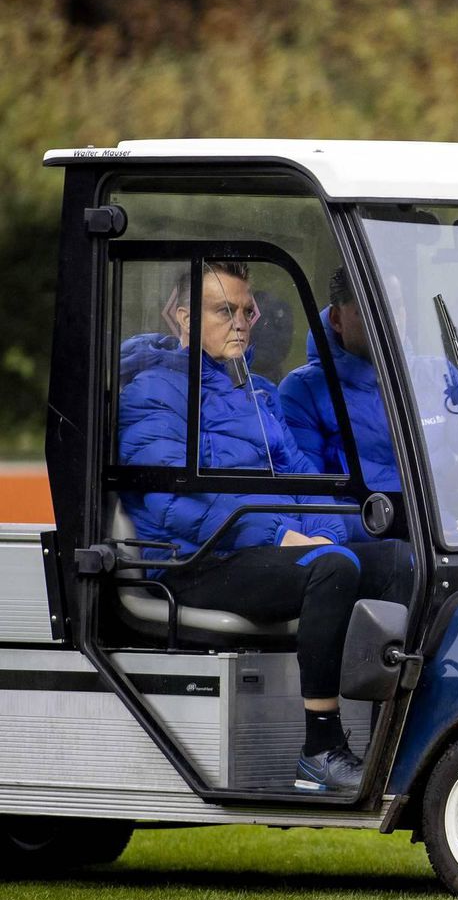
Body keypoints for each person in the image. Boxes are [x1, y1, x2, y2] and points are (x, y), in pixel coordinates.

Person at [118, 261, 379, 793]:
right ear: (183, 318)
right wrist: (282, 536)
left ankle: (398, 731)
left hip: (262, 552)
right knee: (329, 567)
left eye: (246, 311)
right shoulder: (151, 392)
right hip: (195, 561)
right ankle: (320, 749)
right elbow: (171, 501)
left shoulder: (257, 393)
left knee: (402, 559)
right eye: (224, 311)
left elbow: (308, 480)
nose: (240, 323)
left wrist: (327, 529)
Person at [280, 267, 458, 536]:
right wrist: (405, 527)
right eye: (371, 309)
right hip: (375, 541)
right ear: (337, 319)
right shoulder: (303, 391)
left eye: (397, 307)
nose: (391, 320)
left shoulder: (439, 375)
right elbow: (312, 500)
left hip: (452, 533)